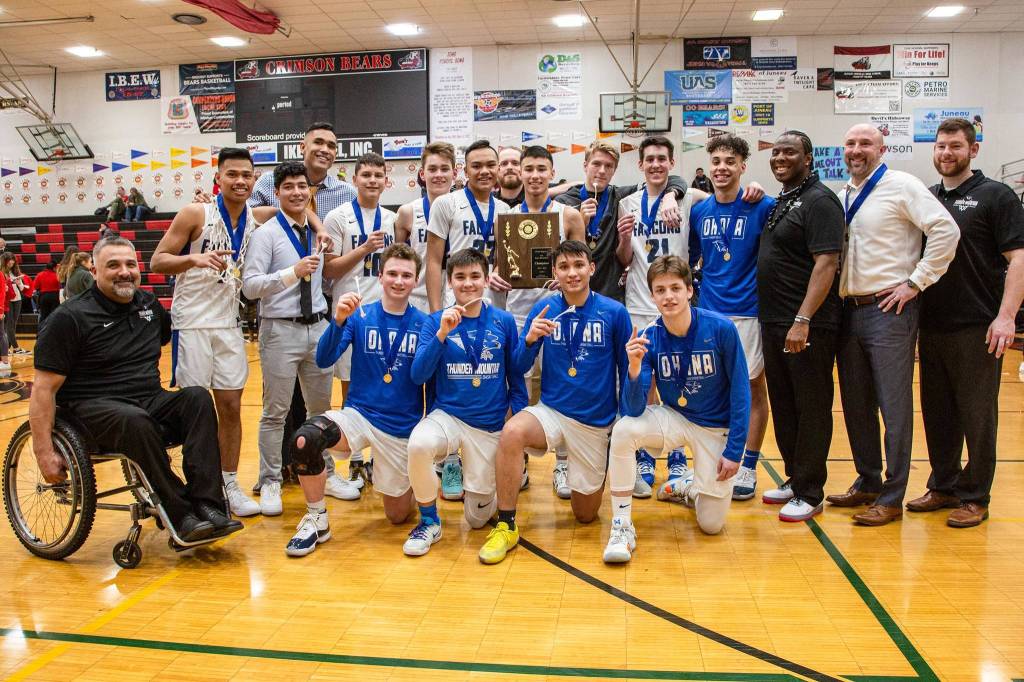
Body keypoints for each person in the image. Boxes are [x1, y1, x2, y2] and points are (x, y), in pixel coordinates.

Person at [29, 236, 240, 542]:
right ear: (94, 270)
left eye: (130, 264)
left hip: (146, 400)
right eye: (113, 265)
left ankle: (208, 506)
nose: (124, 272)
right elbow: (43, 389)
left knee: (196, 398)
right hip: (91, 409)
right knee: (134, 420)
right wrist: (43, 451)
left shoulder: (149, 306)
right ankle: (180, 514)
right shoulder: (69, 318)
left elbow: (170, 335)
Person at [828, 123, 960, 526]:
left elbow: (946, 230)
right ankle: (867, 480)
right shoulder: (843, 194)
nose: (856, 150)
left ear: (881, 148)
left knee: (894, 407)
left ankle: (892, 493)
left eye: (865, 143)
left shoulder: (902, 185)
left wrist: (915, 282)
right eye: (850, 143)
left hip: (889, 310)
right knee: (856, 406)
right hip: (848, 310)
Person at [479, 240, 632, 565]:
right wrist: (531, 339)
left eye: (579, 265)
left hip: (594, 422)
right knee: (512, 433)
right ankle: (506, 524)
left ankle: (585, 472)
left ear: (591, 269)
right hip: (551, 412)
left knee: (585, 515)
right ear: (554, 273)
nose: (572, 273)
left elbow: (627, 371)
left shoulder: (614, 313)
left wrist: (623, 421)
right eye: (564, 267)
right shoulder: (545, 309)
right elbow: (518, 366)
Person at [906, 117, 1024, 527]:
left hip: (978, 326)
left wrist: (1006, 317)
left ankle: (975, 495)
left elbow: (1018, 260)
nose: (946, 153)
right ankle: (943, 486)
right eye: (940, 146)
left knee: (977, 415)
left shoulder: (997, 196)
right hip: (932, 325)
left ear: (973, 150)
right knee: (938, 412)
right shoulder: (928, 197)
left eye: (955, 146)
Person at [285, 244, 429, 557]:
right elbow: (323, 359)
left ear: (416, 281)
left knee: (397, 516)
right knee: (305, 439)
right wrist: (337, 321)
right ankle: (316, 520)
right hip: (359, 417)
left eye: (406, 275)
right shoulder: (359, 315)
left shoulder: (425, 324)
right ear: (380, 276)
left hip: (401, 428)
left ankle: (407, 481)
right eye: (392, 273)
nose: (398, 281)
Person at [604, 256, 750, 562]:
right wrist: (633, 368)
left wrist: (735, 451)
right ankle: (621, 526)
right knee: (623, 430)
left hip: (715, 426)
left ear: (688, 290)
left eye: (675, 288)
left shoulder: (721, 329)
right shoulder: (650, 338)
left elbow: (741, 393)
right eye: (660, 290)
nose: (668, 296)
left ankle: (687, 485)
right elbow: (632, 409)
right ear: (652, 296)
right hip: (675, 417)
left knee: (710, 525)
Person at [151, 147, 270, 518]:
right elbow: (157, 261)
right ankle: (199, 489)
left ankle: (229, 483)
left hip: (230, 323)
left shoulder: (256, 217)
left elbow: (303, 208)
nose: (240, 181)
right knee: (197, 410)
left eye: (246, 175)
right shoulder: (194, 213)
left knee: (232, 406)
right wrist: (194, 258)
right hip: (193, 324)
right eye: (232, 174)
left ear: (254, 180)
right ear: (217, 178)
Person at [403, 248, 527, 555]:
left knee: (476, 519)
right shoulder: (434, 322)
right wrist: (443, 334)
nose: (468, 283)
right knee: (418, 445)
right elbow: (418, 375)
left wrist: (516, 421)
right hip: (448, 417)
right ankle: (429, 521)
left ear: (486, 280)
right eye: (460, 277)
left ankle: (491, 479)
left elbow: (516, 375)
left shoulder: (504, 321)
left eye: (475, 276)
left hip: (488, 425)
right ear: (449, 282)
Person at [241, 161, 341, 515]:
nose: (297, 192)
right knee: (275, 412)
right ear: (277, 192)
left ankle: (326, 470)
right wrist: (290, 273)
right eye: (289, 187)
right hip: (280, 329)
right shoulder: (265, 234)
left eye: (302, 186)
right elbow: (250, 287)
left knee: (321, 411)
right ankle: (269, 480)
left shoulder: (316, 232)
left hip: (318, 326)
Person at [757, 131, 846, 522]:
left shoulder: (820, 200)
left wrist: (803, 319)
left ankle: (811, 491)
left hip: (807, 324)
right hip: (775, 320)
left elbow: (827, 263)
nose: (780, 158)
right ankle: (795, 478)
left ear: (808, 158)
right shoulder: (785, 199)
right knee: (786, 403)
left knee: (811, 405)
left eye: (789, 152)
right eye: (776, 152)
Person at [490, 145, 585, 499]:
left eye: (540, 168)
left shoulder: (569, 215)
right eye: (527, 168)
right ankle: (522, 462)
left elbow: (582, 263)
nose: (533, 175)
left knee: (560, 384)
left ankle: (563, 461)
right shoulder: (506, 215)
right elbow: (498, 263)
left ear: (551, 172)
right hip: (517, 312)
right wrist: (494, 276)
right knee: (518, 385)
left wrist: (567, 277)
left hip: (560, 312)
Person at [688, 134, 776, 502]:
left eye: (730, 162)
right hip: (708, 314)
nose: (722, 168)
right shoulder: (699, 210)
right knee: (712, 390)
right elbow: (694, 260)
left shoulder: (763, 205)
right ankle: (712, 461)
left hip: (748, 314)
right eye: (717, 162)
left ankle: (750, 466)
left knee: (753, 390)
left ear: (743, 166)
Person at [555, 142, 690, 303]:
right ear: (585, 165)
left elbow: (667, 177)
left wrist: (670, 195)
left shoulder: (620, 196)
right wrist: (579, 224)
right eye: (596, 164)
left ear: (614, 170)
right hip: (573, 289)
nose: (602, 170)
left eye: (609, 166)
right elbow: (558, 247)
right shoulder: (564, 202)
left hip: (610, 292)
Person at [425, 139, 512, 312]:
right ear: (465, 171)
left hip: (494, 304)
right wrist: (435, 313)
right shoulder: (446, 203)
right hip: (455, 304)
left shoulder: (505, 210)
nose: (484, 171)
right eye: (476, 166)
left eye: (490, 165)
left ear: (498, 169)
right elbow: (433, 262)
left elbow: (505, 259)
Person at [395, 142, 456, 314]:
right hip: (418, 298)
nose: (439, 175)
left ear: (454, 172)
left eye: (445, 169)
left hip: (457, 296)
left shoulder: (463, 210)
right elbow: (398, 262)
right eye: (432, 169)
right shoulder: (408, 212)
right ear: (422, 174)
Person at [250, 122, 356, 216]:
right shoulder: (269, 182)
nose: (325, 150)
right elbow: (246, 218)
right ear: (302, 147)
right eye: (318, 142)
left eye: (331, 146)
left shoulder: (348, 193)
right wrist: (283, 214)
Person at [2, 253, 30, 355]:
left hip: (17, 299)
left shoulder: (15, 271)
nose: (12, 262)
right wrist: (8, 282)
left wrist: (19, 283)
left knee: (13, 324)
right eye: (9, 260)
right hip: (7, 300)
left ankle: (7, 348)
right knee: (9, 324)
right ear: (4, 261)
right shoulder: (1, 272)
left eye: (13, 260)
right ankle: (16, 348)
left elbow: (22, 289)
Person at [34, 258, 61, 324]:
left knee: (43, 316)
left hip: (44, 296)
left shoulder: (40, 275)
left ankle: (42, 331)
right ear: (54, 268)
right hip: (55, 296)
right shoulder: (57, 275)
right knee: (54, 315)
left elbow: (35, 286)